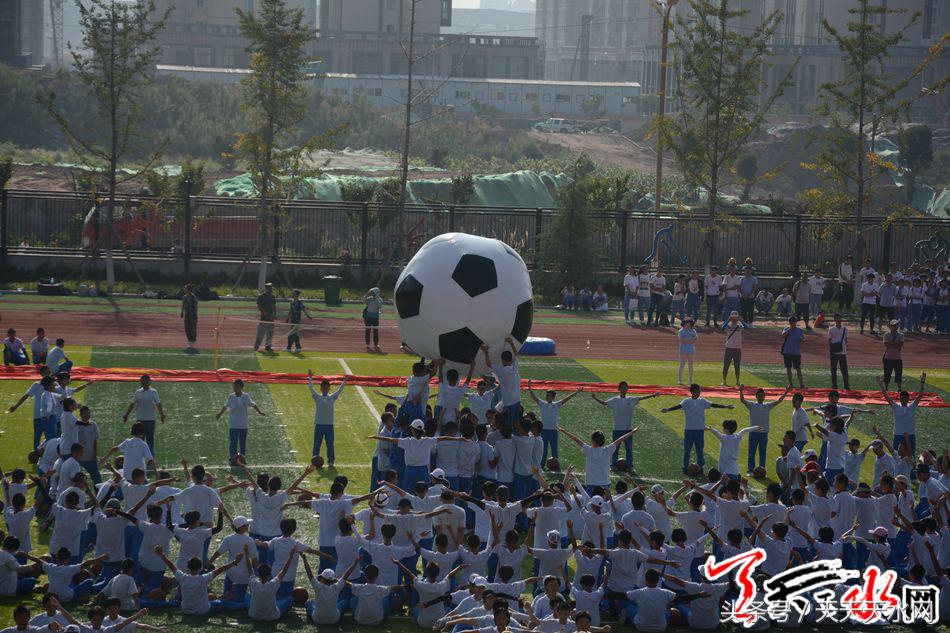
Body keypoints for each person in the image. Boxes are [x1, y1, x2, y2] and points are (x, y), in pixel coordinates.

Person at [660, 383, 735, 475]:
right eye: (696, 391)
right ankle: (685, 467)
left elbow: (713, 405)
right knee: (687, 450)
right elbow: (679, 406)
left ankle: (700, 467)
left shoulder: (702, 401)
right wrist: (668, 409)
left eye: (699, 391)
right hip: (689, 430)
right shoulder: (686, 401)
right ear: (691, 392)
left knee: (699, 449)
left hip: (699, 430)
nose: (698, 393)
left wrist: (726, 406)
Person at [591, 382, 660, 469]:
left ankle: (630, 465)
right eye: (622, 387)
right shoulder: (614, 400)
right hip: (617, 429)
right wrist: (595, 398)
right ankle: (613, 465)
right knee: (615, 449)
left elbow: (642, 398)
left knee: (629, 449)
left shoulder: (631, 399)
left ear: (627, 389)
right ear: (619, 389)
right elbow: (604, 403)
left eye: (626, 387)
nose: (624, 389)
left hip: (628, 429)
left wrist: (653, 395)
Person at [739, 384, 789, 476]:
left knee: (762, 454)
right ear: (756, 396)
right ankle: (750, 470)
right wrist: (741, 390)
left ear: (764, 397)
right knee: (751, 453)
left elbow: (779, 401)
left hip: (763, 434)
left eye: (762, 395)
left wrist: (786, 392)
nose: (761, 397)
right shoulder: (752, 405)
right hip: (753, 433)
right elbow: (742, 400)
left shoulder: (767, 406)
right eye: (759, 395)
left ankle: (762, 470)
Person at [528, 380, 581, 462]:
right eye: (546, 395)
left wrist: (576, 392)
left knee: (554, 449)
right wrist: (530, 387)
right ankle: (542, 464)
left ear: (553, 397)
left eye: (548, 395)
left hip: (553, 430)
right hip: (544, 430)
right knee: (543, 449)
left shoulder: (556, 405)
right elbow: (534, 397)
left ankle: (556, 464)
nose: (546, 397)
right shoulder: (542, 404)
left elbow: (566, 399)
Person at [877, 372, 925, 457]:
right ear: (899, 398)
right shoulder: (896, 407)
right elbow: (886, 395)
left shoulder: (912, 407)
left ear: (908, 399)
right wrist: (881, 385)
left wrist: (922, 382)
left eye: (905, 398)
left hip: (910, 435)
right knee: (896, 456)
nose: (904, 400)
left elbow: (920, 395)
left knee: (911, 456)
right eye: (902, 398)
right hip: (898, 434)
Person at [215, 379, 266, 459]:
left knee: (242, 442)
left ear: (241, 387)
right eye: (234, 386)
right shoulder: (231, 396)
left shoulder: (246, 396)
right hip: (233, 424)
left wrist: (259, 412)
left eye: (237, 386)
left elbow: (253, 404)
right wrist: (220, 414)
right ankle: (233, 457)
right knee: (233, 442)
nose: (235, 388)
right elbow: (226, 406)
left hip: (243, 424)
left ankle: (242, 458)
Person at [308, 369, 346, 465]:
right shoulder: (317, 397)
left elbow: (340, 390)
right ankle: (314, 462)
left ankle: (331, 461)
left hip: (329, 425)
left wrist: (344, 381)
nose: (325, 389)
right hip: (319, 425)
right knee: (317, 445)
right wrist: (310, 377)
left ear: (329, 389)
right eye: (323, 388)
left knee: (330, 445)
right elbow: (311, 388)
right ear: (321, 388)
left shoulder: (332, 397)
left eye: (327, 388)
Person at [122, 375, 166, 456]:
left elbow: (158, 404)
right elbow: (132, 404)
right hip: (140, 420)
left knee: (150, 441)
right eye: (143, 382)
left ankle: (150, 458)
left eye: (146, 382)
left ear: (149, 382)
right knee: (139, 441)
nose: (144, 383)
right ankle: (139, 456)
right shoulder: (138, 392)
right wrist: (126, 414)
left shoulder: (154, 392)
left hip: (151, 420)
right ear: (141, 383)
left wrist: (162, 415)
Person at [482, 338, 522, 425]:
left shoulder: (501, 370)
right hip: (517, 400)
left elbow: (488, 364)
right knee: (515, 421)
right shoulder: (514, 367)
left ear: (502, 360)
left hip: (508, 402)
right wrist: (511, 343)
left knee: (507, 422)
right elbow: (517, 354)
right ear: (511, 360)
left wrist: (486, 352)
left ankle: (507, 436)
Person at [781, 316, 806, 389]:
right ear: (789, 322)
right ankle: (790, 384)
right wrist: (789, 330)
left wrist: (801, 339)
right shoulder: (786, 329)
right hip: (787, 351)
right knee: (788, 368)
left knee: (798, 368)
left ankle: (801, 384)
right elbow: (783, 336)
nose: (793, 323)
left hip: (796, 352)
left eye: (794, 322)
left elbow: (803, 339)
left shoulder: (799, 330)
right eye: (791, 322)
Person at [828, 313, 850, 390]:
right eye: (837, 318)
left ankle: (846, 385)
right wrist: (832, 349)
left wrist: (842, 347)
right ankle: (834, 385)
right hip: (834, 353)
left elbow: (846, 340)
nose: (839, 320)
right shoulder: (831, 329)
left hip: (842, 352)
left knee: (844, 370)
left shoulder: (845, 329)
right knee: (833, 370)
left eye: (840, 318)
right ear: (835, 319)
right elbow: (829, 340)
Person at [253, 282, 277, 353]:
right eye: (270, 288)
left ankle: (268, 346)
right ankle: (256, 346)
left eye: (271, 288)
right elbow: (258, 305)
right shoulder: (261, 296)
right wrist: (264, 312)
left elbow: (274, 306)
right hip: (264, 318)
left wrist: (275, 314)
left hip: (271, 318)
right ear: (267, 289)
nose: (271, 290)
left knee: (270, 333)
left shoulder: (273, 296)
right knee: (261, 333)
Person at [722, 311, 744, 386]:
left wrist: (741, 320)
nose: (734, 319)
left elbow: (747, 327)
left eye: (736, 318)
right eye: (733, 318)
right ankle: (724, 380)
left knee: (737, 365)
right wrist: (728, 320)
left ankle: (737, 380)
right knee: (726, 364)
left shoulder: (740, 325)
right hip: (729, 347)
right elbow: (722, 328)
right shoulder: (728, 325)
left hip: (737, 348)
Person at [882, 319, 904, 391]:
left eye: (896, 325)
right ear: (890, 326)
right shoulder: (886, 335)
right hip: (888, 357)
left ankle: (899, 388)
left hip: (897, 358)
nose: (895, 327)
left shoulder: (901, 335)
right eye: (893, 325)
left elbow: (900, 345)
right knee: (887, 373)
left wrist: (891, 344)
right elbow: (886, 344)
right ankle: (886, 388)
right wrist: (896, 344)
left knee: (898, 374)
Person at [677, 317, 697, 385]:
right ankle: (680, 380)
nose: (687, 324)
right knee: (682, 365)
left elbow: (695, 338)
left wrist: (687, 340)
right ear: (684, 323)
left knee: (690, 365)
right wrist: (690, 340)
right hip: (683, 350)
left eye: (689, 323)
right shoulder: (681, 331)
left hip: (691, 350)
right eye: (686, 323)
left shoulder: (693, 331)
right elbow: (682, 340)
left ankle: (690, 380)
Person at [363, 287, 383, 353]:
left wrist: (375, 297)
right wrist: (367, 294)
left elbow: (379, 305)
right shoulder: (370, 299)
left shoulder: (380, 300)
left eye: (373, 292)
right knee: (367, 331)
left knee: (375, 331)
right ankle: (367, 344)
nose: (372, 294)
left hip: (375, 317)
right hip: (368, 317)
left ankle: (376, 344)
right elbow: (364, 301)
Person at [180, 283, 198, 352]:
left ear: (189, 290)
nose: (184, 289)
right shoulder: (184, 297)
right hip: (187, 315)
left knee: (192, 329)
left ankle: (192, 343)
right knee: (187, 329)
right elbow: (183, 305)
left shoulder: (194, 298)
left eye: (186, 288)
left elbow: (196, 307)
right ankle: (189, 341)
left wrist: (195, 315)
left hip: (192, 315)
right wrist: (182, 312)